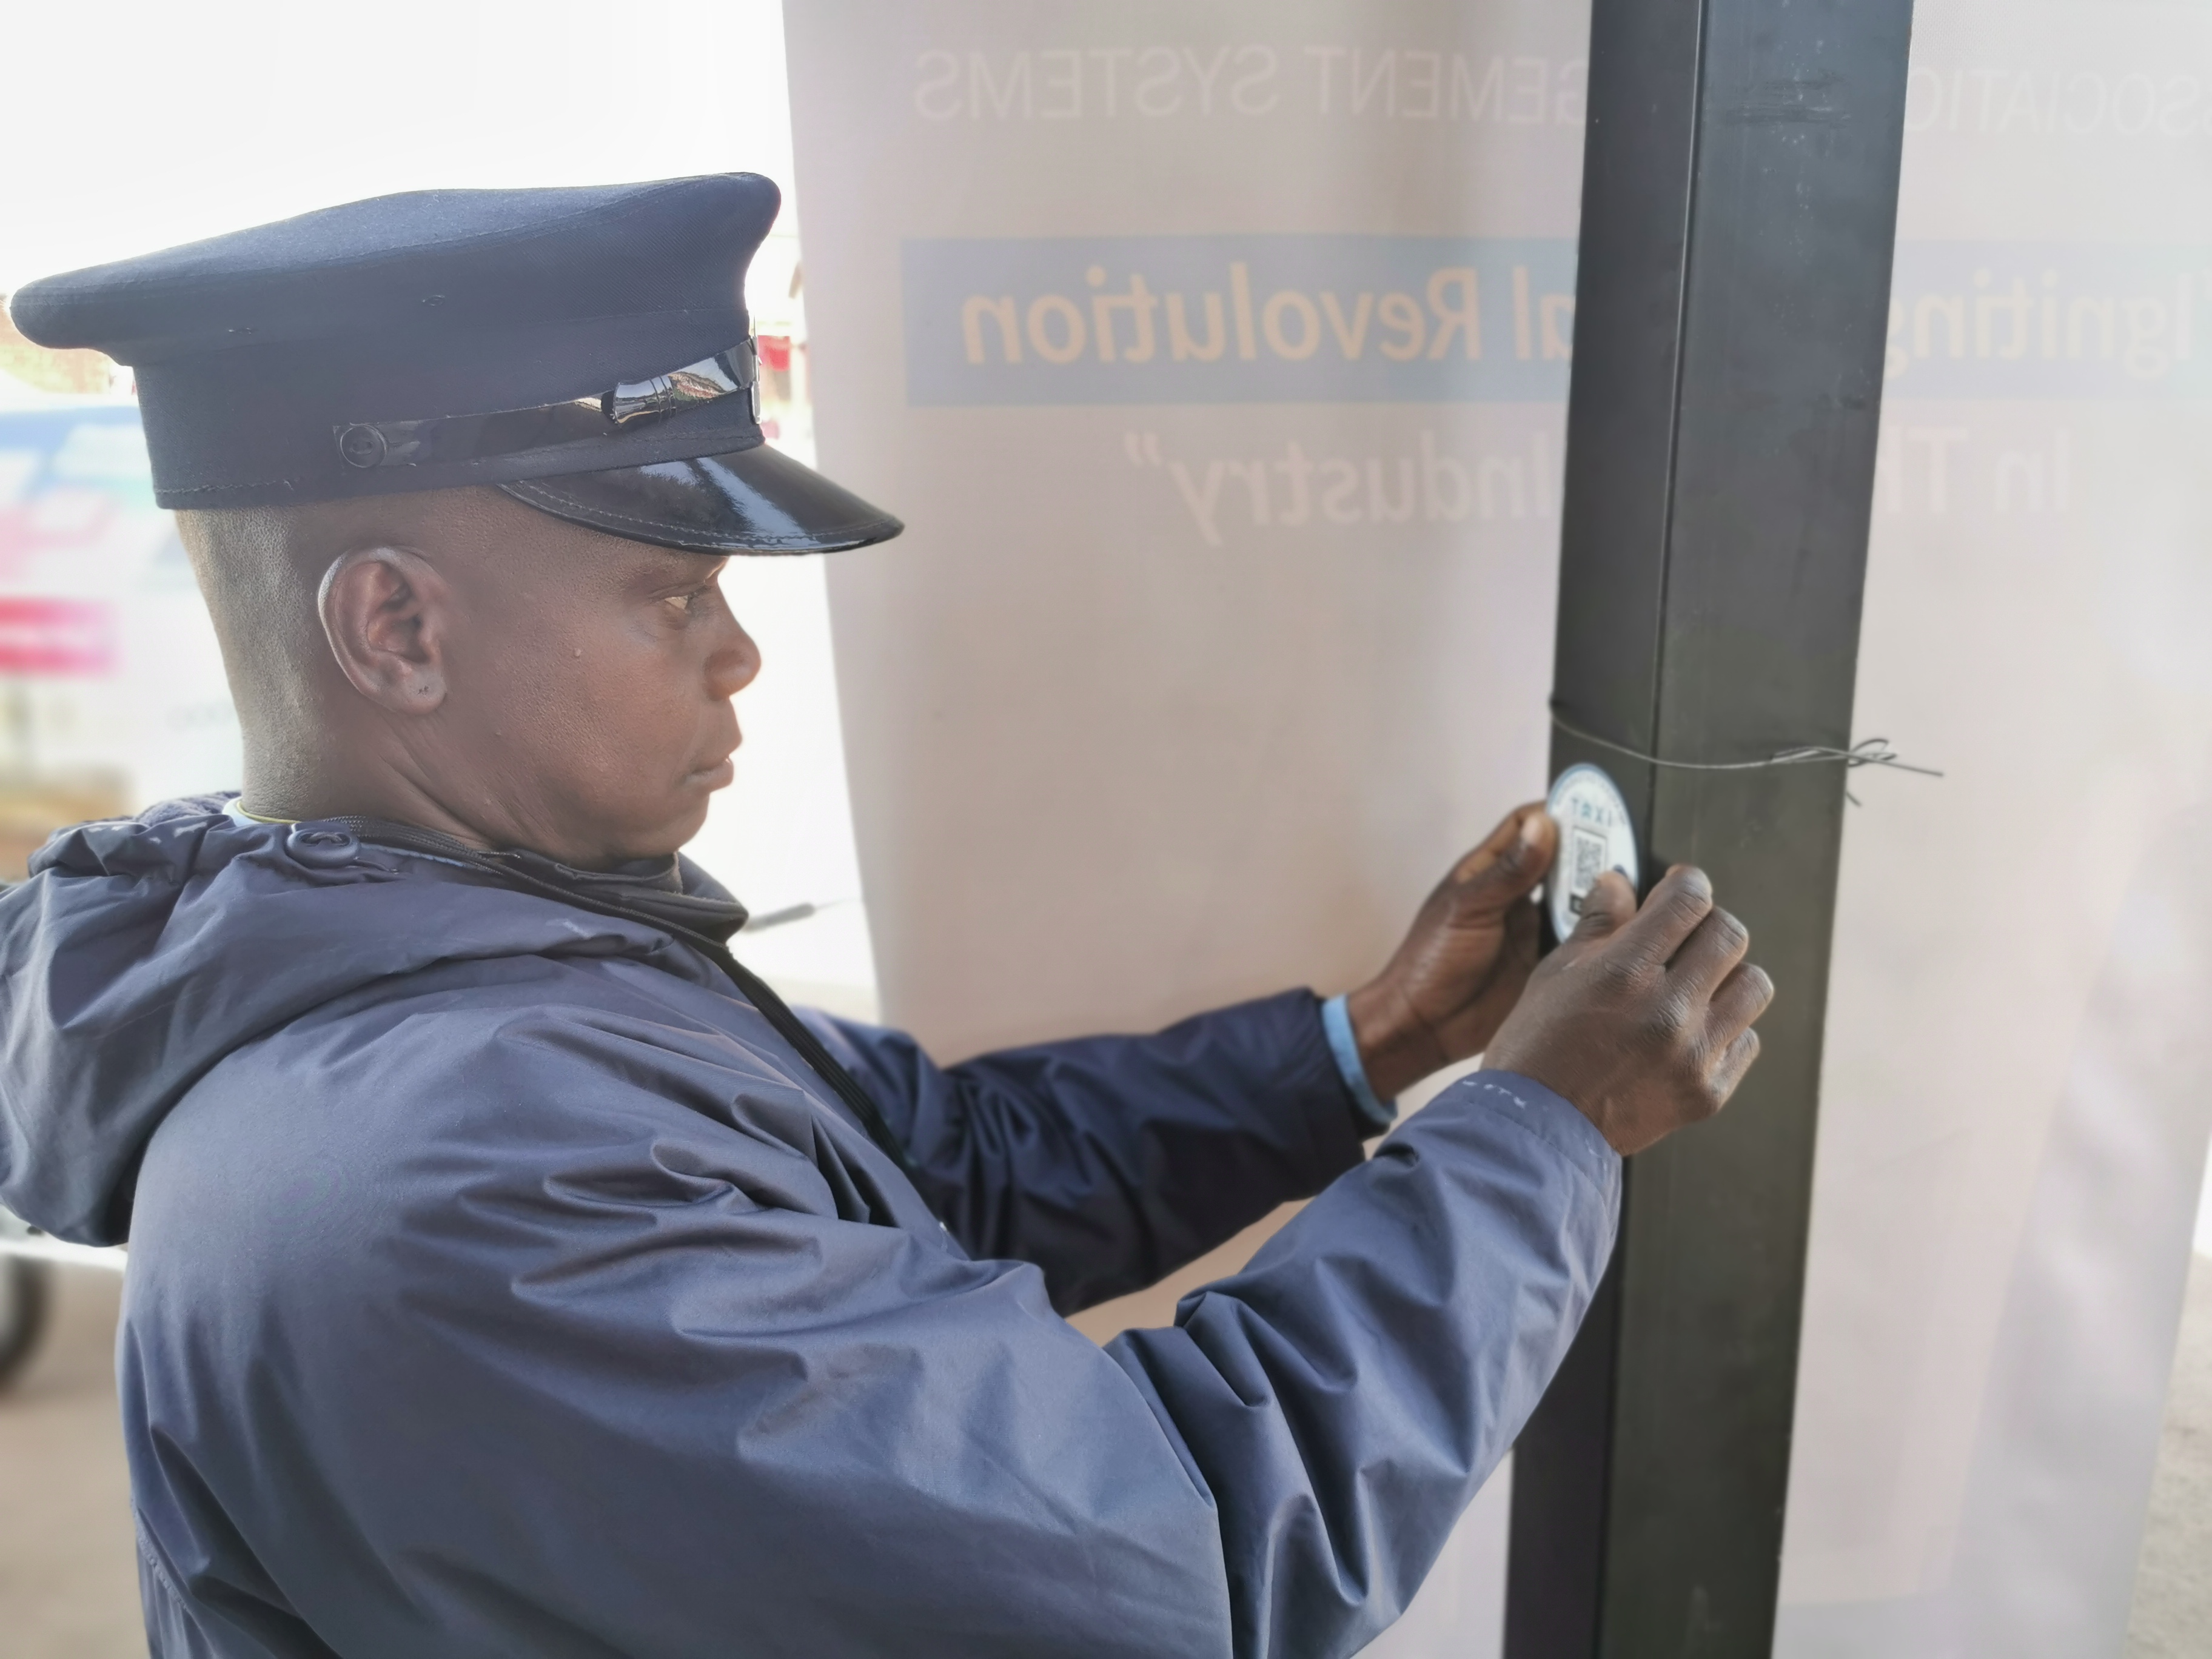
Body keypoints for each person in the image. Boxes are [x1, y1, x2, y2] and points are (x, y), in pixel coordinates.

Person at [0, 175, 1771, 1658]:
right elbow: (1173, 1558)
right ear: (396, 630)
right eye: (673, 589)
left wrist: (1374, 1044)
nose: (740, 648)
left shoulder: (469, 962)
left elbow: (937, 1165)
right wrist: (1545, 1133)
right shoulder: (470, 1169)